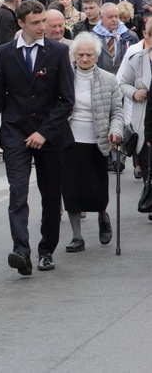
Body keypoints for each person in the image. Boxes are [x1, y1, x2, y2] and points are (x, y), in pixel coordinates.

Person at [0, 0, 75, 275]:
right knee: (18, 192)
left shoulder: (58, 52)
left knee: (50, 195)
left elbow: (67, 100)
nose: (42, 27)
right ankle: (21, 250)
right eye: (35, 22)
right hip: (14, 131)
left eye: (44, 20)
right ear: (21, 24)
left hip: (50, 134)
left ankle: (46, 250)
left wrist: (44, 132)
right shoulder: (5, 53)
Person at [62, 34, 123, 252]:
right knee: (71, 191)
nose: (85, 58)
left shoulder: (109, 79)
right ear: (73, 55)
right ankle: (77, 237)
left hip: (98, 141)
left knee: (97, 190)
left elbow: (117, 111)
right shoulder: (65, 76)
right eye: (81, 55)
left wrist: (115, 131)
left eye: (89, 55)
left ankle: (102, 214)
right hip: (69, 141)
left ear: (97, 56)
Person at [117, 19, 152, 184]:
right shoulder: (137, 57)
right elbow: (122, 82)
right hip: (145, 121)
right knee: (147, 166)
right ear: (146, 35)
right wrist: (134, 93)